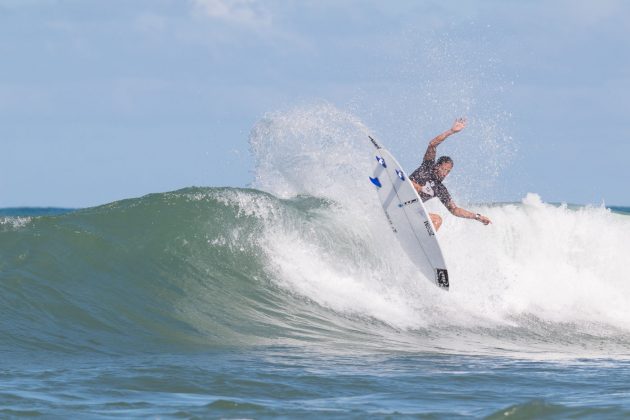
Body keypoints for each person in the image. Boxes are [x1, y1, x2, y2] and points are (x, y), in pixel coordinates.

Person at [409, 118, 492, 231]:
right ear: (437, 166)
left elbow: (455, 210)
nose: (445, 173)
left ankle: (422, 241)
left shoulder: (440, 189)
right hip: (400, 193)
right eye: (444, 169)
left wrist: (477, 217)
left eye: (448, 171)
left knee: (437, 220)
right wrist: (451, 131)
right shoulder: (427, 166)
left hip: (411, 211)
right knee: (417, 186)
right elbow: (432, 144)